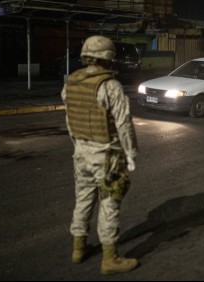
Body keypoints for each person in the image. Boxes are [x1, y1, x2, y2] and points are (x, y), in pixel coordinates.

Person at [61, 35, 140, 275]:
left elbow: (69, 119)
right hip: (106, 156)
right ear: (108, 57)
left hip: (81, 153)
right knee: (108, 203)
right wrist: (131, 153)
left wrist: (77, 144)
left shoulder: (71, 82)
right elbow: (124, 123)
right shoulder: (110, 86)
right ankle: (110, 259)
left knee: (83, 199)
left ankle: (78, 249)